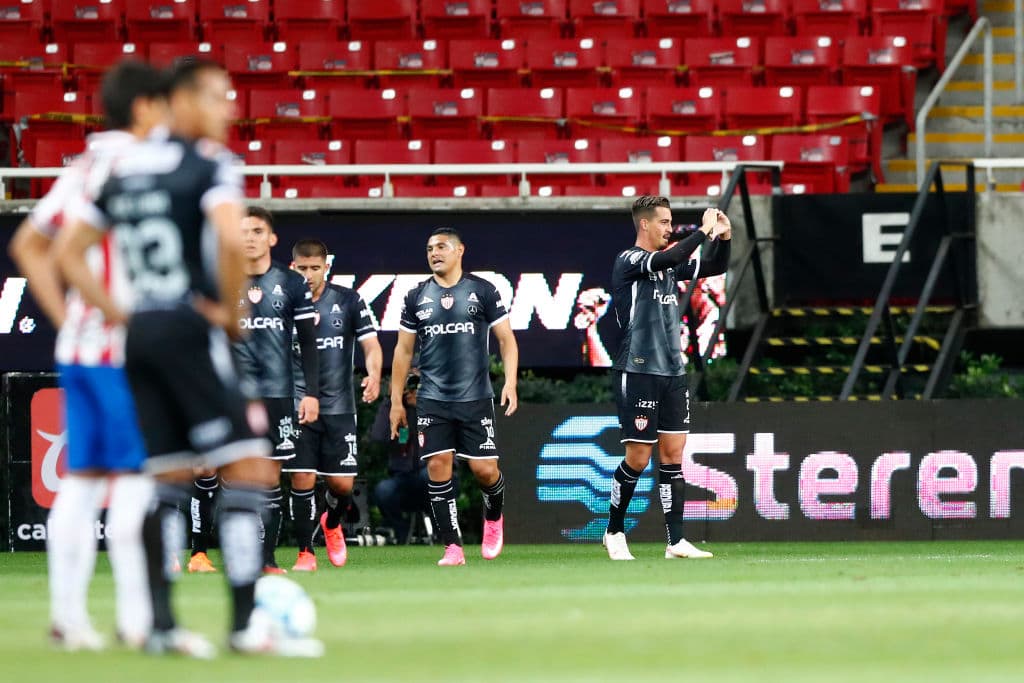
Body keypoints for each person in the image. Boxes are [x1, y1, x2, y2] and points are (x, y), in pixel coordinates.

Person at [55, 58, 322, 657]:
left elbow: (69, 254)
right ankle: (245, 624)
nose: (229, 109)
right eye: (219, 97)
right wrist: (227, 312)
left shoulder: (119, 169)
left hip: (139, 335)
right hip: (189, 326)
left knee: (168, 475)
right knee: (251, 464)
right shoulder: (209, 165)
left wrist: (122, 314)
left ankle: (162, 624)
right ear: (183, 101)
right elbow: (230, 239)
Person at [8, 60, 164, 651]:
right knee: (131, 482)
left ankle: (68, 616)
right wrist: (113, 315)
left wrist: (68, 316)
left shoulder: (86, 164)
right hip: (121, 352)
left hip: (80, 348)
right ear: (147, 107)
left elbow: (28, 243)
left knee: (82, 480)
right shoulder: (134, 166)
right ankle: (136, 620)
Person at [603, 196, 731, 561]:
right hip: (638, 369)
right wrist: (703, 230)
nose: (669, 228)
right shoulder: (629, 260)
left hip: (673, 371)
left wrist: (724, 237)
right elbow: (673, 256)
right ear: (644, 224)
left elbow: (714, 266)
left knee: (673, 457)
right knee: (638, 458)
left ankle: (676, 541)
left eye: (670, 222)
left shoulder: (670, 269)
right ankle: (614, 531)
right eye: (663, 222)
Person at [389, 227, 519, 566]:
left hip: (475, 396)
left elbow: (506, 339)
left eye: (442, 247)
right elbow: (403, 351)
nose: (435, 253)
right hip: (432, 397)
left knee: (484, 470)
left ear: (460, 250)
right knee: (437, 465)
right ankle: (453, 546)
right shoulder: (416, 296)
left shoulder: (483, 290)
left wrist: (510, 382)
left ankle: (493, 517)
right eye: (430, 248)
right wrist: (395, 401)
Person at [210, 205, 321, 575]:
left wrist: (311, 393)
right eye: (243, 231)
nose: (250, 238)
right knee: (233, 474)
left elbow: (308, 342)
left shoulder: (291, 284)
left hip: (277, 393)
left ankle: (268, 560)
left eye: (257, 231)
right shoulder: (221, 280)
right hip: (233, 393)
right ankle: (235, 555)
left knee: (270, 478)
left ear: (271, 238)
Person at [285, 238, 382, 571]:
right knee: (302, 478)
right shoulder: (282, 304)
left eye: (315, 268)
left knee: (342, 485)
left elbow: (371, 345)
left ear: (326, 267)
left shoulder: (348, 300)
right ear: (292, 267)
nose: (309, 274)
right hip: (298, 405)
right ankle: (305, 552)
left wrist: (373, 374)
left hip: (340, 407)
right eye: (303, 268)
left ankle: (331, 522)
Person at [370, 375, 430, 544]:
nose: (411, 389)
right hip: (404, 478)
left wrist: (422, 405)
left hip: (433, 475)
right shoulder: (396, 410)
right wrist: (391, 400)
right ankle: (400, 531)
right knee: (384, 490)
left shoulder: (436, 405)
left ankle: (442, 531)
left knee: (430, 477)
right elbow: (378, 437)